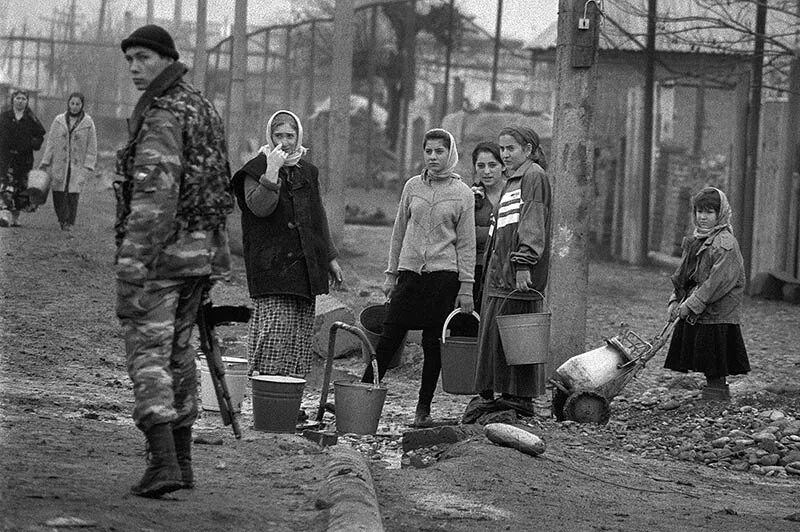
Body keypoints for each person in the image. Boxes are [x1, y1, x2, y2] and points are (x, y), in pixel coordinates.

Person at [115, 24, 234, 498]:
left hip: (163, 257)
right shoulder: (200, 104)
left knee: (148, 356)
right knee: (180, 354)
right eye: (129, 60)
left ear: (166, 58)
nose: (134, 68)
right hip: (199, 256)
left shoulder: (164, 112)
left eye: (142, 57)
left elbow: (154, 194)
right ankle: (182, 463)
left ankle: (162, 461)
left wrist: (132, 263)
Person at [361, 128, 476, 427]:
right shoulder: (412, 187)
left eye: (439, 151)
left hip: (443, 279)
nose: (433, 157)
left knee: (432, 343)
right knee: (389, 338)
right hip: (410, 276)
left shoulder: (463, 193)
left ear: (449, 154)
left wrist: (466, 286)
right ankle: (360, 396)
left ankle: (422, 409)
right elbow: (398, 232)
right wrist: (391, 274)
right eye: (428, 151)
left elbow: (466, 243)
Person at [231, 109, 343, 380]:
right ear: (269, 136)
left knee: (299, 337)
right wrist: (272, 170)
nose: (284, 141)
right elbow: (259, 208)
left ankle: (291, 401)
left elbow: (317, 215)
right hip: (271, 267)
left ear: (298, 136)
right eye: (278, 135)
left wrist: (329, 258)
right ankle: (267, 394)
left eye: (290, 136)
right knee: (274, 333)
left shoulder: (308, 171)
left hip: (304, 267)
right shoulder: (254, 169)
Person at [467, 126, 551, 421]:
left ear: (527, 150)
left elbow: (532, 221)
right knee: (497, 337)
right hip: (499, 273)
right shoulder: (512, 180)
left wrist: (524, 263)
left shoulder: (533, 177)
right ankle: (503, 395)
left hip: (516, 275)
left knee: (518, 335)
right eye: (502, 149)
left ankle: (518, 399)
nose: (504, 154)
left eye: (510, 149)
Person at [663, 186, 749, 401]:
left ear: (719, 214)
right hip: (701, 305)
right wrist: (675, 299)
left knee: (715, 353)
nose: (703, 217)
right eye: (699, 211)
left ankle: (717, 393)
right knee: (704, 350)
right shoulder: (697, 240)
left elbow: (716, 283)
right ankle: (712, 393)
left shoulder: (725, 244)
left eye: (709, 212)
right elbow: (684, 274)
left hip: (718, 309)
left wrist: (690, 305)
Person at [449, 141, 506, 337]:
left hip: (504, 271)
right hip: (474, 270)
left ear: (503, 166)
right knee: (468, 323)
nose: (487, 171)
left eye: (493, 165)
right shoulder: (470, 197)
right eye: (481, 166)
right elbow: (461, 235)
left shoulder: (514, 195)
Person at [39, 92, 98, 231]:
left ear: (82, 105)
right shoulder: (58, 120)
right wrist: (46, 161)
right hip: (60, 162)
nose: (75, 107)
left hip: (77, 164)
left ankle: (69, 222)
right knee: (58, 192)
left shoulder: (88, 123)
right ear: (68, 103)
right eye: (72, 103)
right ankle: (61, 219)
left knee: (73, 193)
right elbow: (51, 143)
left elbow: (92, 146)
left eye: (78, 104)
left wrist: (88, 165)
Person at [0, 88, 46, 227]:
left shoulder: (31, 119)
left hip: (23, 159)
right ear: (13, 99)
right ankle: (4, 213)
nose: (20, 101)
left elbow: (40, 135)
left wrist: (33, 143)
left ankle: (15, 216)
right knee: (6, 185)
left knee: (20, 187)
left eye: (23, 99)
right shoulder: (4, 117)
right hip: (6, 157)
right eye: (18, 98)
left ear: (27, 102)